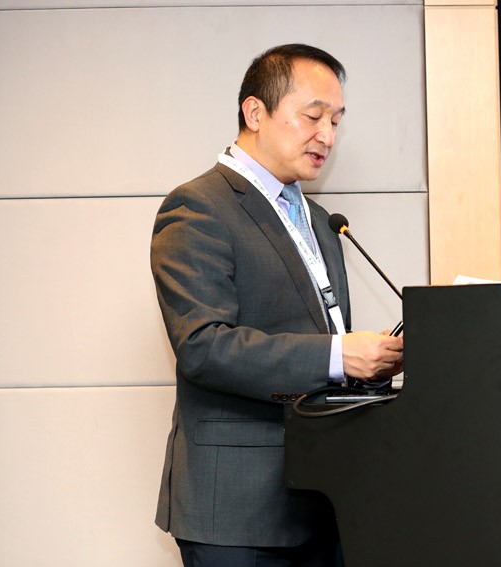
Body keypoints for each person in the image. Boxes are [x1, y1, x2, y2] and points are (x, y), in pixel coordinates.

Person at [150, 43, 404, 567]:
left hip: (323, 496)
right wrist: (339, 356)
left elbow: (319, 338)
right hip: (237, 511)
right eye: (313, 116)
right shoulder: (198, 207)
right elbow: (203, 346)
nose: (327, 136)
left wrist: (370, 359)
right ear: (255, 112)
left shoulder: (320, 221)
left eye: (336, 121)